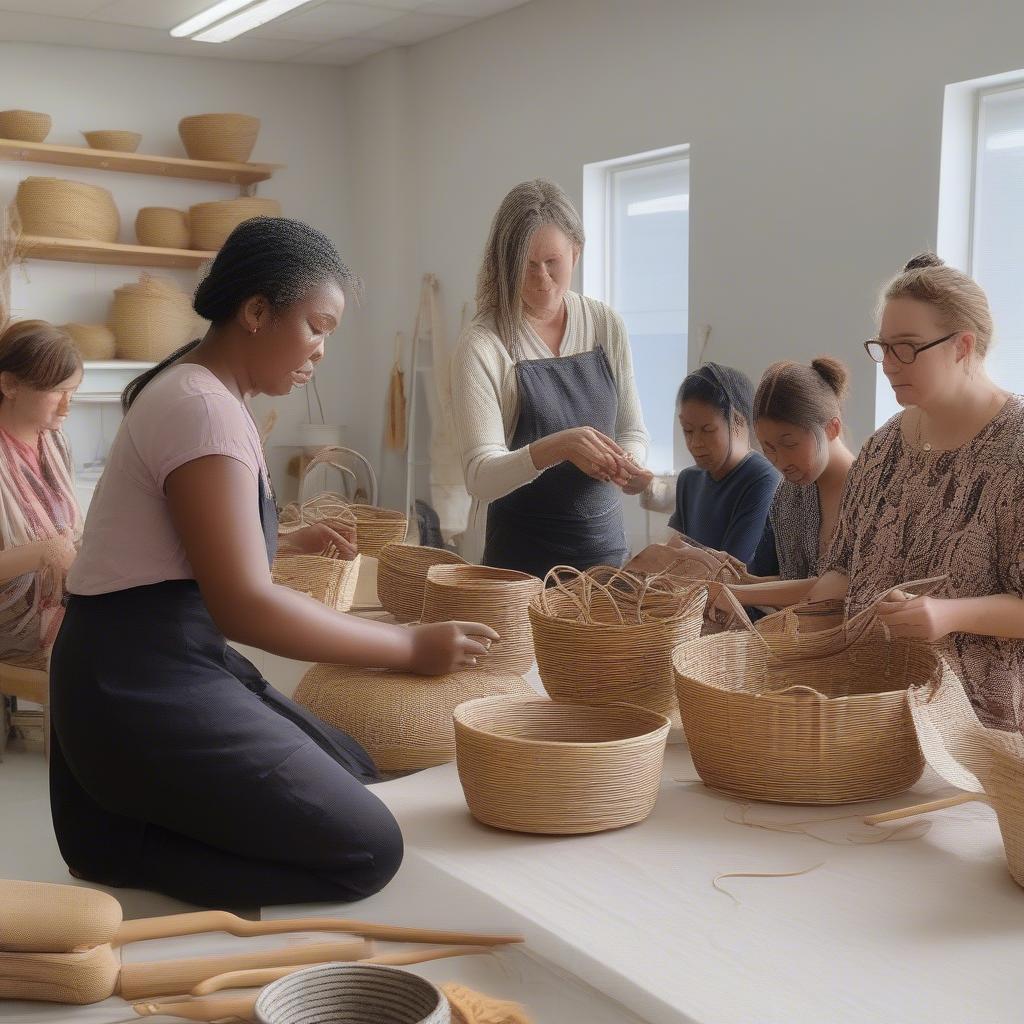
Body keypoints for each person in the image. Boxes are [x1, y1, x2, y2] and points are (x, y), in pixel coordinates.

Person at [49, 217, 497, 908]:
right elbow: (244, 605)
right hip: (134, 683)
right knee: (369, 851)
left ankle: (120, 823)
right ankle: (122, 845)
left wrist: (282, 540)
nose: (320, 352)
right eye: (317, 327)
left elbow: (168, 546)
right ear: (256, 312)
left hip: (140, 658)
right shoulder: (202, 407)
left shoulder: (197, 389)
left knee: (354, 764)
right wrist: (409, 647)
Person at [731, 254, 1024, 732]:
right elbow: (844, 569)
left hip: (975, 732)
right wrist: (798, 626)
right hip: (872, 709)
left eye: (906, 348)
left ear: (962, 346)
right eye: (883, 347)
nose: (888, 365)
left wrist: (948, 614)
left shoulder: (1016, 449)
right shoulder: (886, 447)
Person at [451, 179, 652, 579]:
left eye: (553, 262)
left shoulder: (604, 325)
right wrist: (558, 447)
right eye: (527, 265)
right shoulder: (484, 343)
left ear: (576, 252)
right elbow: (480, 476)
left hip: (606, 561)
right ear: (505, 264)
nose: (542, 277)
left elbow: (633, 430)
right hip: (519, 569)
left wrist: (627, 464)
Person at [0, 320, 82, 670]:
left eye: (73, 392)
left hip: (58, 600)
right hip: (11, 619)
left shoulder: (55, 442)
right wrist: (42, 552)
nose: (67, 407)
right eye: (57, 392)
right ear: (9, 384)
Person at [654, 362, 779, 565]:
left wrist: (678, 553)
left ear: (738, 421)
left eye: (708, 430)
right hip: (695, 593)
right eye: (687, 430)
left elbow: (730, 569)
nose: (695, 443)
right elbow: (675, 557)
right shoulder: (689, 480)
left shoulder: (763, 479)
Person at [746, 357, 855, 579]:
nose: (780, 461)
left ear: (832, 428)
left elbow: (843, 589)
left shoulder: (871, 491)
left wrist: (740, 589)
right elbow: (784, 581)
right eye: (768, 448)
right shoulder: (786, 497)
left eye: (789, 444)